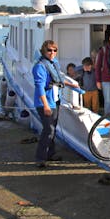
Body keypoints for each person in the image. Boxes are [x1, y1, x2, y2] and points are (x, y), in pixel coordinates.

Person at [32, 40, 76, 168]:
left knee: (52, 129)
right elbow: (40, 87)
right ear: (43, 51)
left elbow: (58, 79)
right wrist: (45, 105)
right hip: (44, 103)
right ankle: (40, 158)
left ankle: (51, 154)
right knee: (48, 129)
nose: (52, 53)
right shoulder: (39, 66)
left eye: (54, 50)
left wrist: (70, 84)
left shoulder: (54, 63)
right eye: (49, 50)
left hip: (55, 100)